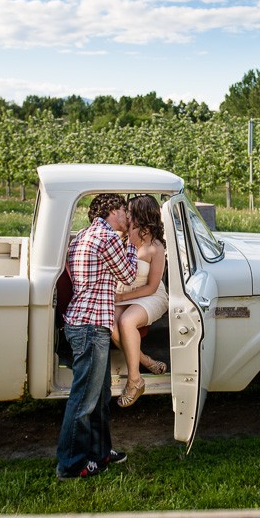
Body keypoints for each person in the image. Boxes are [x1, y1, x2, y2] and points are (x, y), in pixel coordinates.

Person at [56, 193, 137, 479]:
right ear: (113, 211)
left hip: (83, 322)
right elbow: (128, 275)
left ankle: (100, 452)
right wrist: (133, 244)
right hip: (91, 325)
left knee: (100, 395)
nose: (128, 217)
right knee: (85, 400)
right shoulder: (109, 238)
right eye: (125, 211)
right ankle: (71, 464)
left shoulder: (82, 235)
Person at [111, 194, 169, 408]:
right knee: (110, 322)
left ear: (141, 215)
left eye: (130, 211)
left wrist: (122, 298)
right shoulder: (123, 235)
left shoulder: (156, 247)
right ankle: (146, 361)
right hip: (125, 292)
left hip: (150, 295)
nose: (126, 214)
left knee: (126, 321)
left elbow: (152, 287)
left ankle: (135, 381)